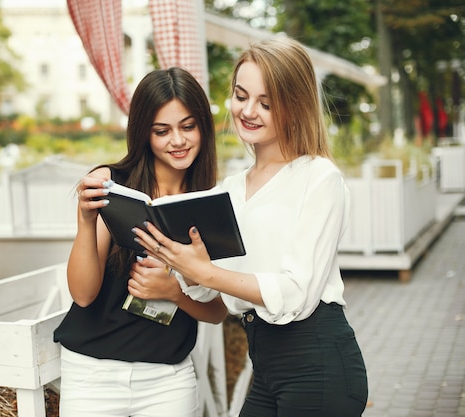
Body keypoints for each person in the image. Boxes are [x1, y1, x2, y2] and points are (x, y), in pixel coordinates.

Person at [131, 38, 369, 417]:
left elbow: (296, 294)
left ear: (296, 107)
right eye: (241, 96)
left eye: (267, 103)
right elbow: (216, 294)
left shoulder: (318, 177)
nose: (249, 111)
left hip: (319, 366)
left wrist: (203, 271)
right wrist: (183, 269)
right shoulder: (230, 189)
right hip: (264, 365)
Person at [53, 67, 227, 417]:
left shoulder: (211, 203)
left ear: (203, 127)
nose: (177, 141)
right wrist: (86, 222)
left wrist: (173, 292)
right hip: (92, 374)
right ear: (143, 133)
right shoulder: (112, 185)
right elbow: (83, 295)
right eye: (162, 131)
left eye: (188, 127)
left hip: (168, 378)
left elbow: (217, 312)